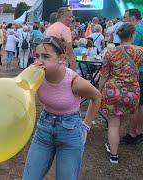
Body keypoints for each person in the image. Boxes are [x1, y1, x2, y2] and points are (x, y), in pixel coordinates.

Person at [23, 36, 101, 180]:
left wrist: (86, 126)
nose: (39, 61)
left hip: (70, 132)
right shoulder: (36, 76)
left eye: (45, 56)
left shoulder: (74, 81)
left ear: (62, 59)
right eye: (37, 56)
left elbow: (97, 97)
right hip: (43, 129)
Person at [99, 23, 143, 164]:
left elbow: (104, 76)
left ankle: (114, 155)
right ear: (133, 35)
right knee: (123, 121)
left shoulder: (111, 52)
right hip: (132, 93)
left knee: (113, 123)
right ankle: (114, 146)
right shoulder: (140, 51)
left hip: (113, 92)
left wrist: (99, 92)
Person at [122, 8, 143, 144]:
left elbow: (128, 51)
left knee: (137, 104)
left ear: (133, 19)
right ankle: (139, 131)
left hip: (139, 71)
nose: (124, 20)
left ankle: (133, 133)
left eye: (125, 17)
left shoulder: (138, 31)